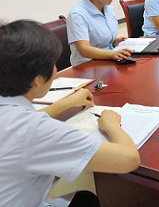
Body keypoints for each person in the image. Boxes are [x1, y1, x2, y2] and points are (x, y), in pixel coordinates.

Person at [0, 20, 140, 207]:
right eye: (53, 64)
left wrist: (69, 102)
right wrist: (112, 125)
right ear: (37, 80)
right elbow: (128, 159)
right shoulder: (34, 130)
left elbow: (24, 121)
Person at [67, 0, 132, 67]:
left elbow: (105, 40)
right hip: (87, 67)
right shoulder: (78, 14)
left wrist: (116, 41)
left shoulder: (109, 9)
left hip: (108, 62)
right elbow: (84, 49)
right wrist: (112, 54)